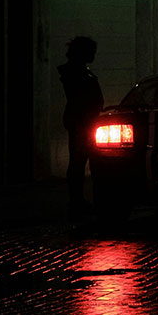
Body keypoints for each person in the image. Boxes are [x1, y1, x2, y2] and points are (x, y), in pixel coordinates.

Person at [57, 36, 104, 218]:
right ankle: (78, 201)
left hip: (83, 121)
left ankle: (78, 200)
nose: (93, 55)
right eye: (91, 52)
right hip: (83, 122)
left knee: (79, 161)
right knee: (79, 161)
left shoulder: (77, 72)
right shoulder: (77, 73)